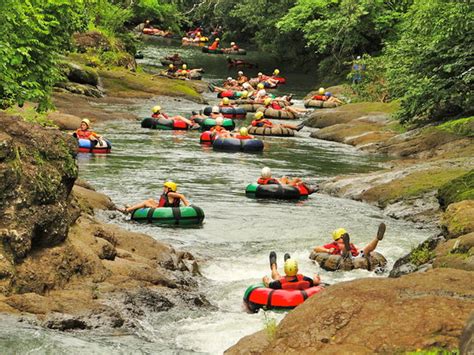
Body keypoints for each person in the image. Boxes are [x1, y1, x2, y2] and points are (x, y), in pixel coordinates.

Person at [313, 223, 386, 259]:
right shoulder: (333, 245)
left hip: (356, 258)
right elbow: (316, 248)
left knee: (367, 249)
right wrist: (327, 250)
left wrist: (359, 250)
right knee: (345, 251)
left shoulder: (351, 244)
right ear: (336, 240)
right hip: (345, 258)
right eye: (342, 239)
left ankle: (377, 238)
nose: (341, 240)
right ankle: (376, 239)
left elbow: (357, 249)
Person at [120, 181, 190, 213]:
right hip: (165, 208)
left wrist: (187, 205)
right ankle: (131, 207)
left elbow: (181, 196)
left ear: (170, 188)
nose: (164, 188)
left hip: (163, 210)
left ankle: (127, 210)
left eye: (165, 187)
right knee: (150, 200)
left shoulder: (170, 194)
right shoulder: (172, 194)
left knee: (146, 202)